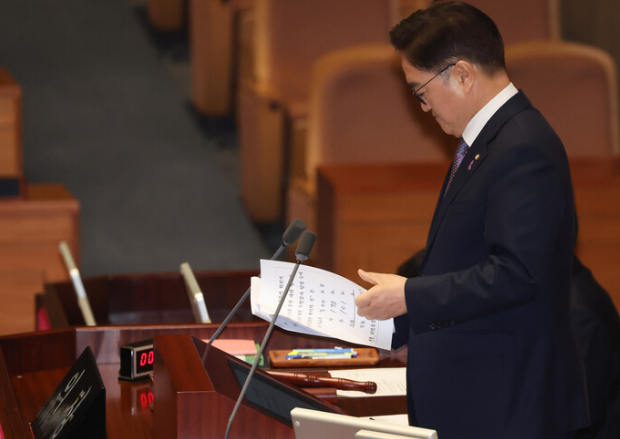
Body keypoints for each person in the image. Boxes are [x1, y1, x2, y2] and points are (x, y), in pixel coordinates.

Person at [354, 2, 590, 438]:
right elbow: (466, 261)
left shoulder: (523, 147)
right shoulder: (489, 140)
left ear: (462, 74)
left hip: (508, 406)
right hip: (482, 397)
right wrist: (405, 316)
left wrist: (410, 295)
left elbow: (518, 274)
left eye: (420, 91)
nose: (422, 107)